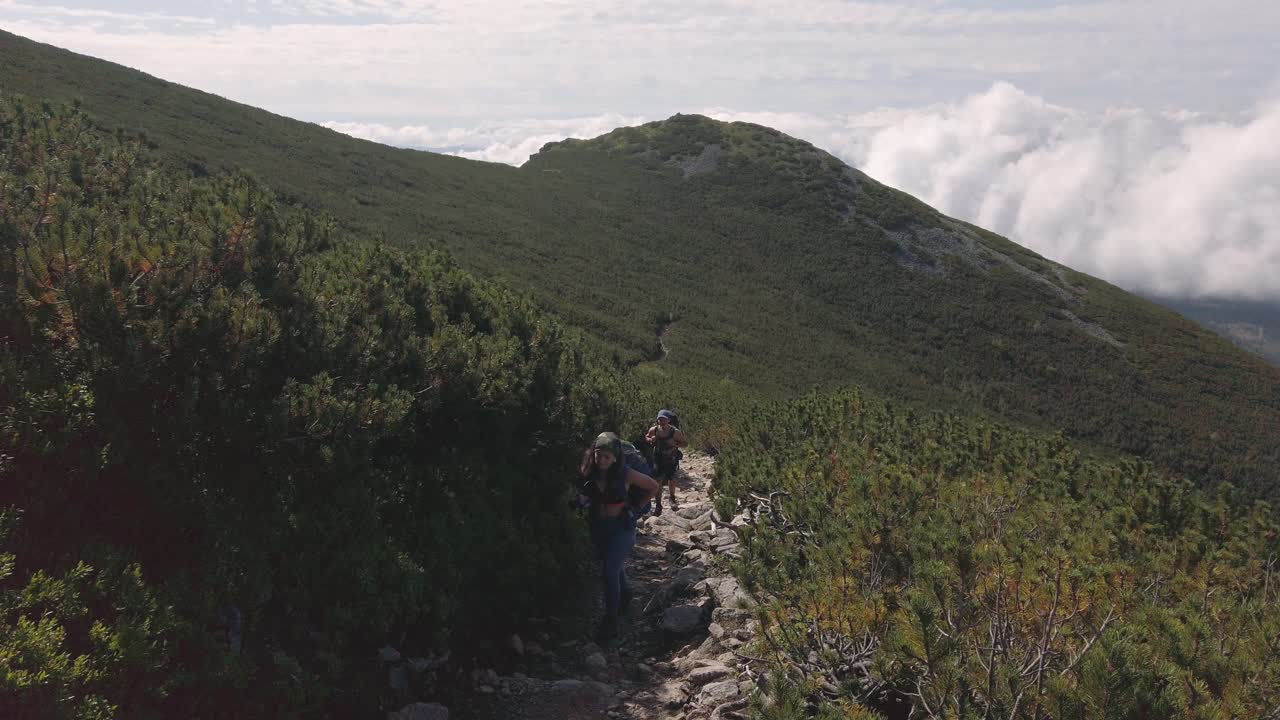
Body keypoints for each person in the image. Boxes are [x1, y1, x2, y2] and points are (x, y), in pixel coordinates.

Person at [577, 432, 659, 645]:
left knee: (609, 569)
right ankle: (626, 593)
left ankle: (610, 620)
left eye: (606, 456)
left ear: (614, 457)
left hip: (622, 527)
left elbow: (653, 486)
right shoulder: (589, 471)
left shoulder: (626, 473)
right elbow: (585, 494)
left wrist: (638, 507)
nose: (601, 460)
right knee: (611, 564)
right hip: (598, 526)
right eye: (598, 455)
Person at [644, 410, 687, 515]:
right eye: (659, 419)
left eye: (663, 419)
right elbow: (647, 437)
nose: (661, 421)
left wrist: (675, 444)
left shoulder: (675, 432)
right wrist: (650, 440)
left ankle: (672, 499)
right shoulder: (654, 430)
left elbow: (685, 444)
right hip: (658, 458)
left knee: (671, 479)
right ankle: (658, 505)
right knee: (658, 481)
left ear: (668, 420)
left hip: (671, 458)